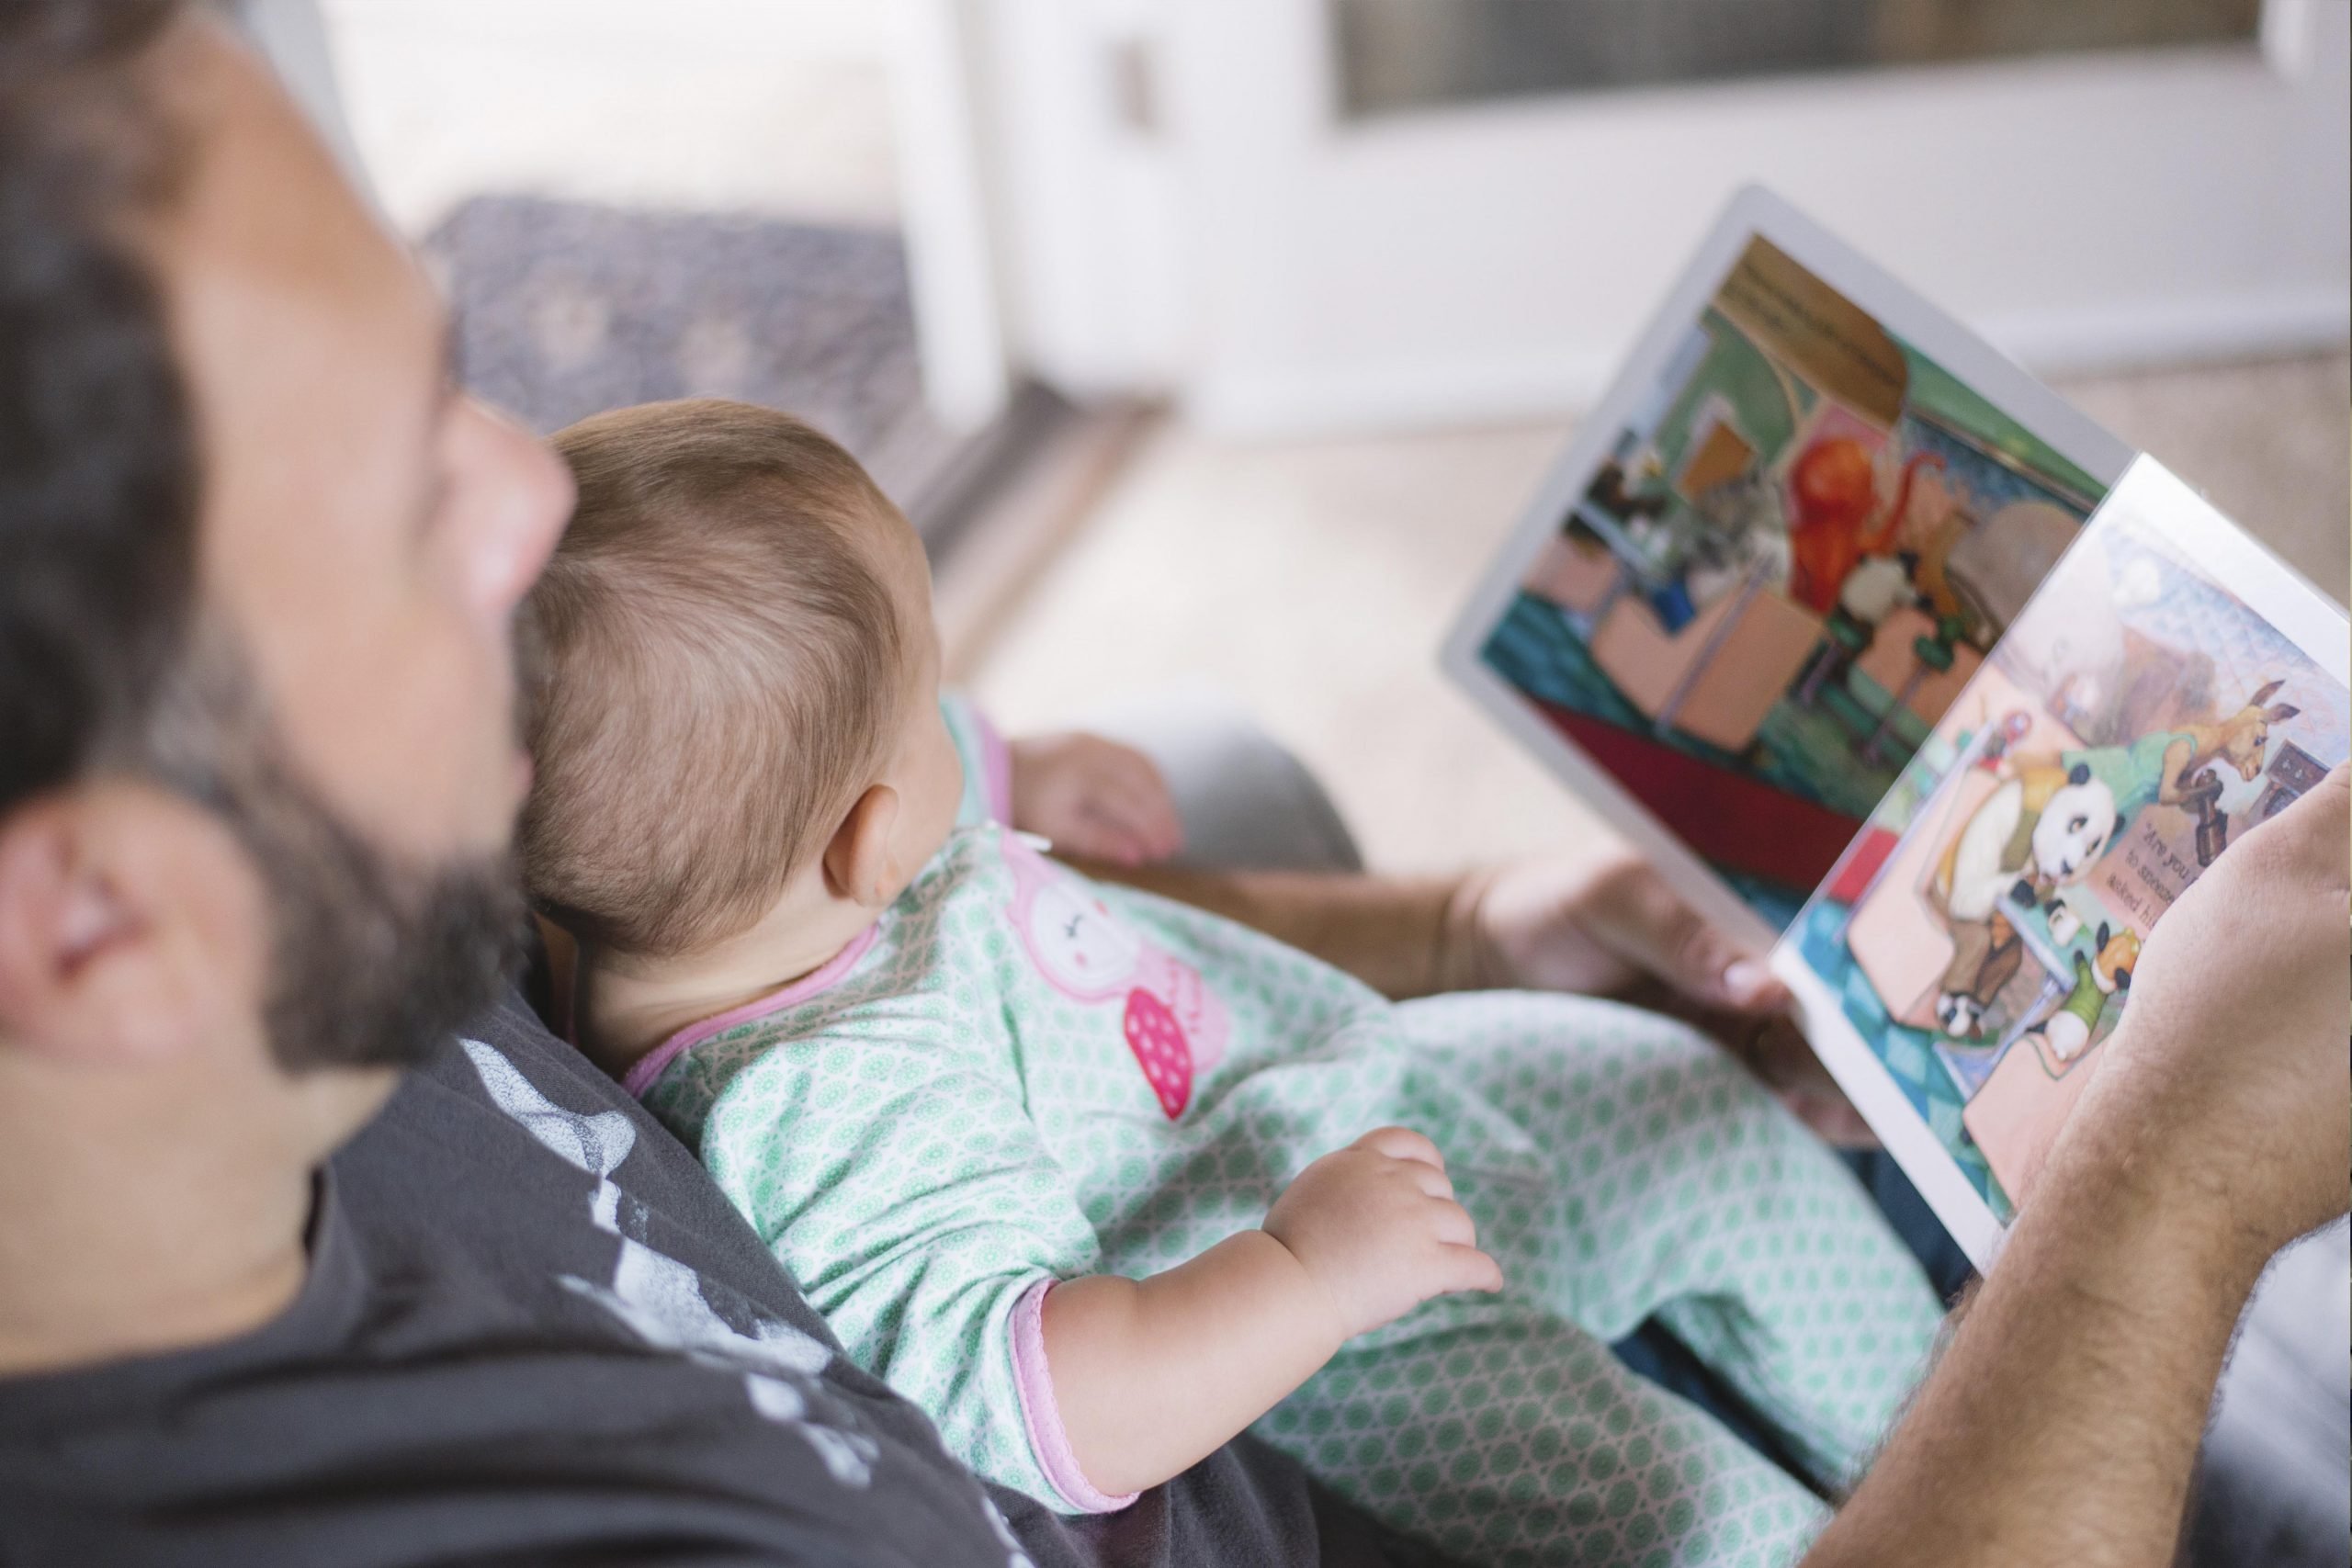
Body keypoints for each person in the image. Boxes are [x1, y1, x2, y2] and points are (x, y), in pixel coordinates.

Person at [0, 5, 2341, 1565]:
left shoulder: (395, 864)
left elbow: (938, 915)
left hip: (1366, 1134)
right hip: (1454, 1397)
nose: (528, 496)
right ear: (93, 923)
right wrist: (2167, 1188)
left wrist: (1449, 923)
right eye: (408, 498)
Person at [518, 396, 1941, 1564]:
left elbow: (858, 759)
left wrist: (1013, 762)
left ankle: (1946, 1429)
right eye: (931, 702)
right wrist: (1306, 1277)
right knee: (1701, 1528)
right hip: (1349, 1333)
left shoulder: (739, 883)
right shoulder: (827, 1108)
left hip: (1343, 1083)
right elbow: (1043, 1403)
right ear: (871, 840)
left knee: (1689, 1099)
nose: (955, 719)